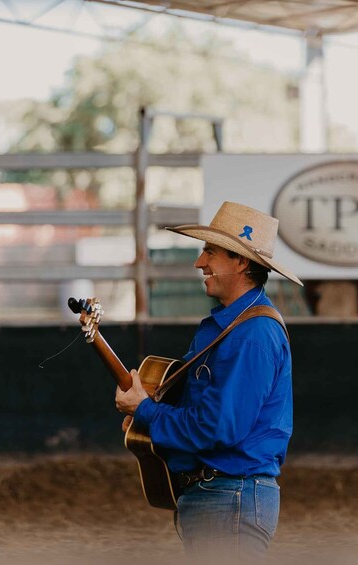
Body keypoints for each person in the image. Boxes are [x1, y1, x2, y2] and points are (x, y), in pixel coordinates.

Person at [115, 201, 303, 561]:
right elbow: (200, 412)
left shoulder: (252, 334)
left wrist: (146, 412)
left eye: (210, 252)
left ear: (242, 263)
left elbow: (218, 427)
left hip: (229, 495)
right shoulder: (232, 329)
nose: (200, 262)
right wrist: (146, 411)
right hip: (224, 495)